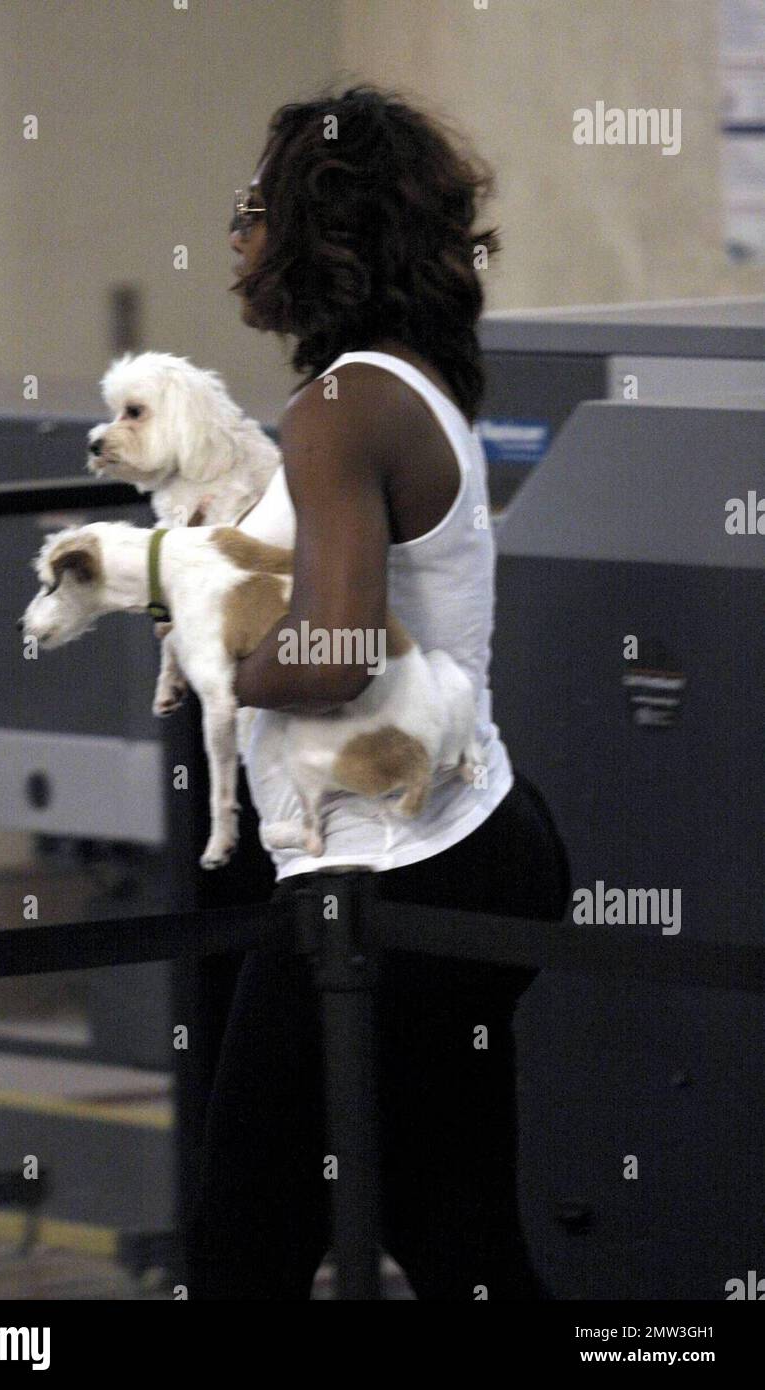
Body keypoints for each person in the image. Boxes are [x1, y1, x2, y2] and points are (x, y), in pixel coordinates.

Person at [186, 84, 571, 1301]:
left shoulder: (338, 408)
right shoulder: (402, 380)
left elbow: (334, 650)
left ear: (319, 230)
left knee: (242, 1243)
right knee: (455, 1233)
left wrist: (215, 657)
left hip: (385, 875)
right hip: (476, 837)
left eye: (254, 205)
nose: (236, 230)